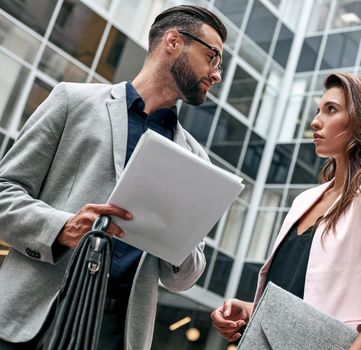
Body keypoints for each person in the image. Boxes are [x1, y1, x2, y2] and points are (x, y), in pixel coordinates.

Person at [0, 5, 227, 349]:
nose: (217, 74)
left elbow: (186, 276)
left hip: (117, 332)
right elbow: (5, 192)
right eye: (212, 57)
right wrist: (62, 227)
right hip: (33, 316)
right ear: (173, 42)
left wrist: (176, 239)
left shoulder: (196, 159)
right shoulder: (72, 101)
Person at [211, 72, 361, 349]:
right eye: (318, 110)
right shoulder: (306, 199)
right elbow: (302, 295)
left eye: (331, 110)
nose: (314, 121)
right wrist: (252, 311)